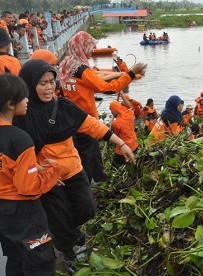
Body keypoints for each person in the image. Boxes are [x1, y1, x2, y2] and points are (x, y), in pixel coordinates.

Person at [15, 60, 136, 273]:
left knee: (86, 209)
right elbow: (19, 151)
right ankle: (70, 253)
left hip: (74, 170)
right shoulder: (23, 115)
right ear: (29, 84)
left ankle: (70, 237)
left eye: (52, 82)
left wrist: (122, 143)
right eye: (42, 83)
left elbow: (92, 126)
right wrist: (40, 169)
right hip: (49, 179)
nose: (49, 87)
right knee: (59, 217)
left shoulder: (64, 106)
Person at [58, 31, 146, 183]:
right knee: (86, 157)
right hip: (85, 120)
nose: (92, 51)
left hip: (69, 118)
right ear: (82, 47)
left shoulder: (66, 64)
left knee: (92, 152)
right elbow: (107, 89)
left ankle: (100, 179)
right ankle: (86, 186)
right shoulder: (81, 69)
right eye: (90, 47)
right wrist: (130, 74)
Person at [0, 74, 62, 276]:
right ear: (11, 104)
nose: (27, 100)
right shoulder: (20, 139)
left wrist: (33, 166)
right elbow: (28, 187)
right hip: (25, 214)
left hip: (4, 215)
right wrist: (54, 171)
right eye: (24, 97)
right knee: (40, 262)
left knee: (15, 259)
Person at [109, 93, 138, 167]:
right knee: (134, 163)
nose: (111, 112)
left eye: (111, 110)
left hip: (122, 149)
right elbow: (130, 106)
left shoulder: (115, 123)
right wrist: (121, 95)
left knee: (114, 168)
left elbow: (116, 138)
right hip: (134, 145)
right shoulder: (130, 113)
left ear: (115, 110)